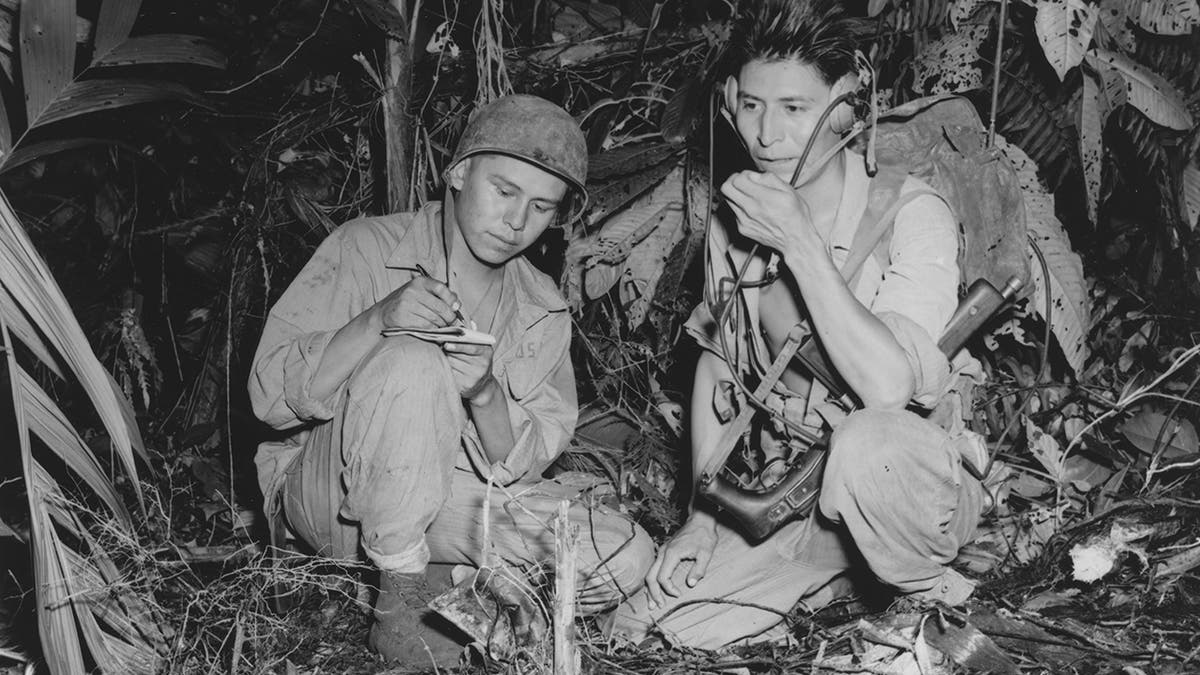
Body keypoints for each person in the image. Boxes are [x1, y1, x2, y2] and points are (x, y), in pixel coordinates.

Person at [611, 0, 989, 649]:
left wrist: (802, 247)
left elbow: (890, 388)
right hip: (797, 492)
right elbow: (718, 364)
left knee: (870, 445)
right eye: (752, 106)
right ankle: (842, 586)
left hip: (907, 490)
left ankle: (928, 595)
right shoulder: (737, 223)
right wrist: (703, 519)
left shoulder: (908, 214)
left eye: (794, 108)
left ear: (846, 105)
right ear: (729, 101)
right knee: (671, 628)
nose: (767, 134)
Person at [249, 94, 654, 665]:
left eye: (541, 207)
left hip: (447, 503)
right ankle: (402, 606)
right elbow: (269, 399)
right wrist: (377, 321)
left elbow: (529, 465)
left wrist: (485, 393)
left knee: (623, 555)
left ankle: (452, 582)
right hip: (332, 494)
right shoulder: (365, 248)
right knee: (413, 359)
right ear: (460, 171)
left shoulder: (542, 306)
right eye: (505, 191)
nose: (517, 222)